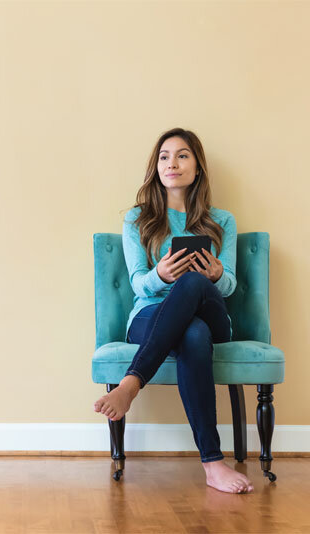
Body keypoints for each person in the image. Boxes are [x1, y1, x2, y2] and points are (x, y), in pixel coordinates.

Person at [93, 127, 254, 494]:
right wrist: (159, 275)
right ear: (156, 167)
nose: (172, 163)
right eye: (164, 156)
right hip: (150, 316)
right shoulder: (138, 219)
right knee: (192, 333)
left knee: (195, 284)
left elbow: (228, 284)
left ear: (197, 167)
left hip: (214, 315)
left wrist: (215, 275)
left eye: (182, 155)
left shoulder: (222, 221)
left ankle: (131, 384)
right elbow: (137, 284)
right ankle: (213, 465)